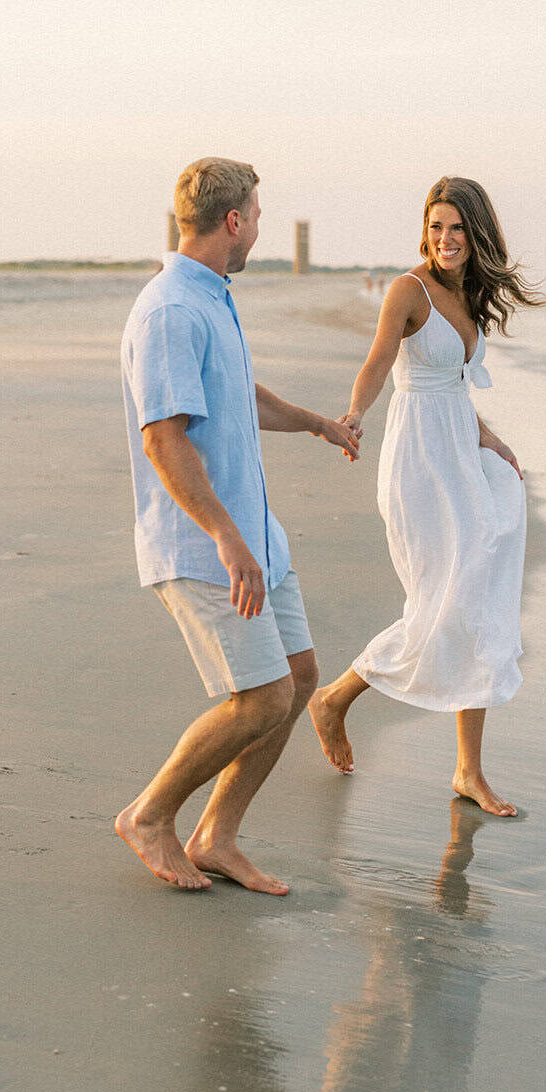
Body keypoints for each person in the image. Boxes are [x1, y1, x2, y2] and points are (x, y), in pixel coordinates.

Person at [115, 158, 359, 893]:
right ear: (234, 222)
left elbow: (237, 396)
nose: (258, 226)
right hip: (205, 544)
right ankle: (150, 815)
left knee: (298, 676)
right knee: (261, 698)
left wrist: (318, 424)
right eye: (256, 214)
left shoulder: (211, 296)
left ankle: (216, 836)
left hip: (255, 537)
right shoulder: (170, 311)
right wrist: (225, 537)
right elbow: (164, 437)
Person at [309, 176, 546, 815]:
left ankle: (468, 771)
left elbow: (455, 390)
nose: (445, 238)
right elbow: (379, 362)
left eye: (458, 228)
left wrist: (489, 440)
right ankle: (333, 698)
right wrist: (354, 414)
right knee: (440, 604)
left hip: (461, 456)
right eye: (437, 226)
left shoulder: (469, 295)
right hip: (418, 467)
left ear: (477, 234)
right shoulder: (407, 291)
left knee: (478, 603)